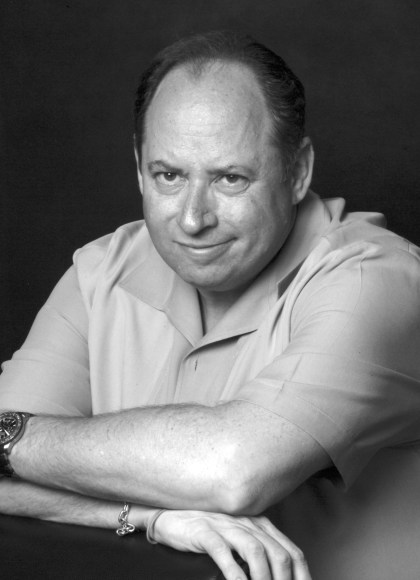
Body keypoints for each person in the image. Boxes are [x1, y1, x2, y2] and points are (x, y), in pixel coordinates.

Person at [1, 30, 420, 580]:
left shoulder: (377, 278)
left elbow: (231, 470)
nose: (193, 218)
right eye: (169, 176)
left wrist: (14, 438)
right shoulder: (99, 271)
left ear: (297, 171)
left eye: (230, 178)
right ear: (139, 166)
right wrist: (150, 518)